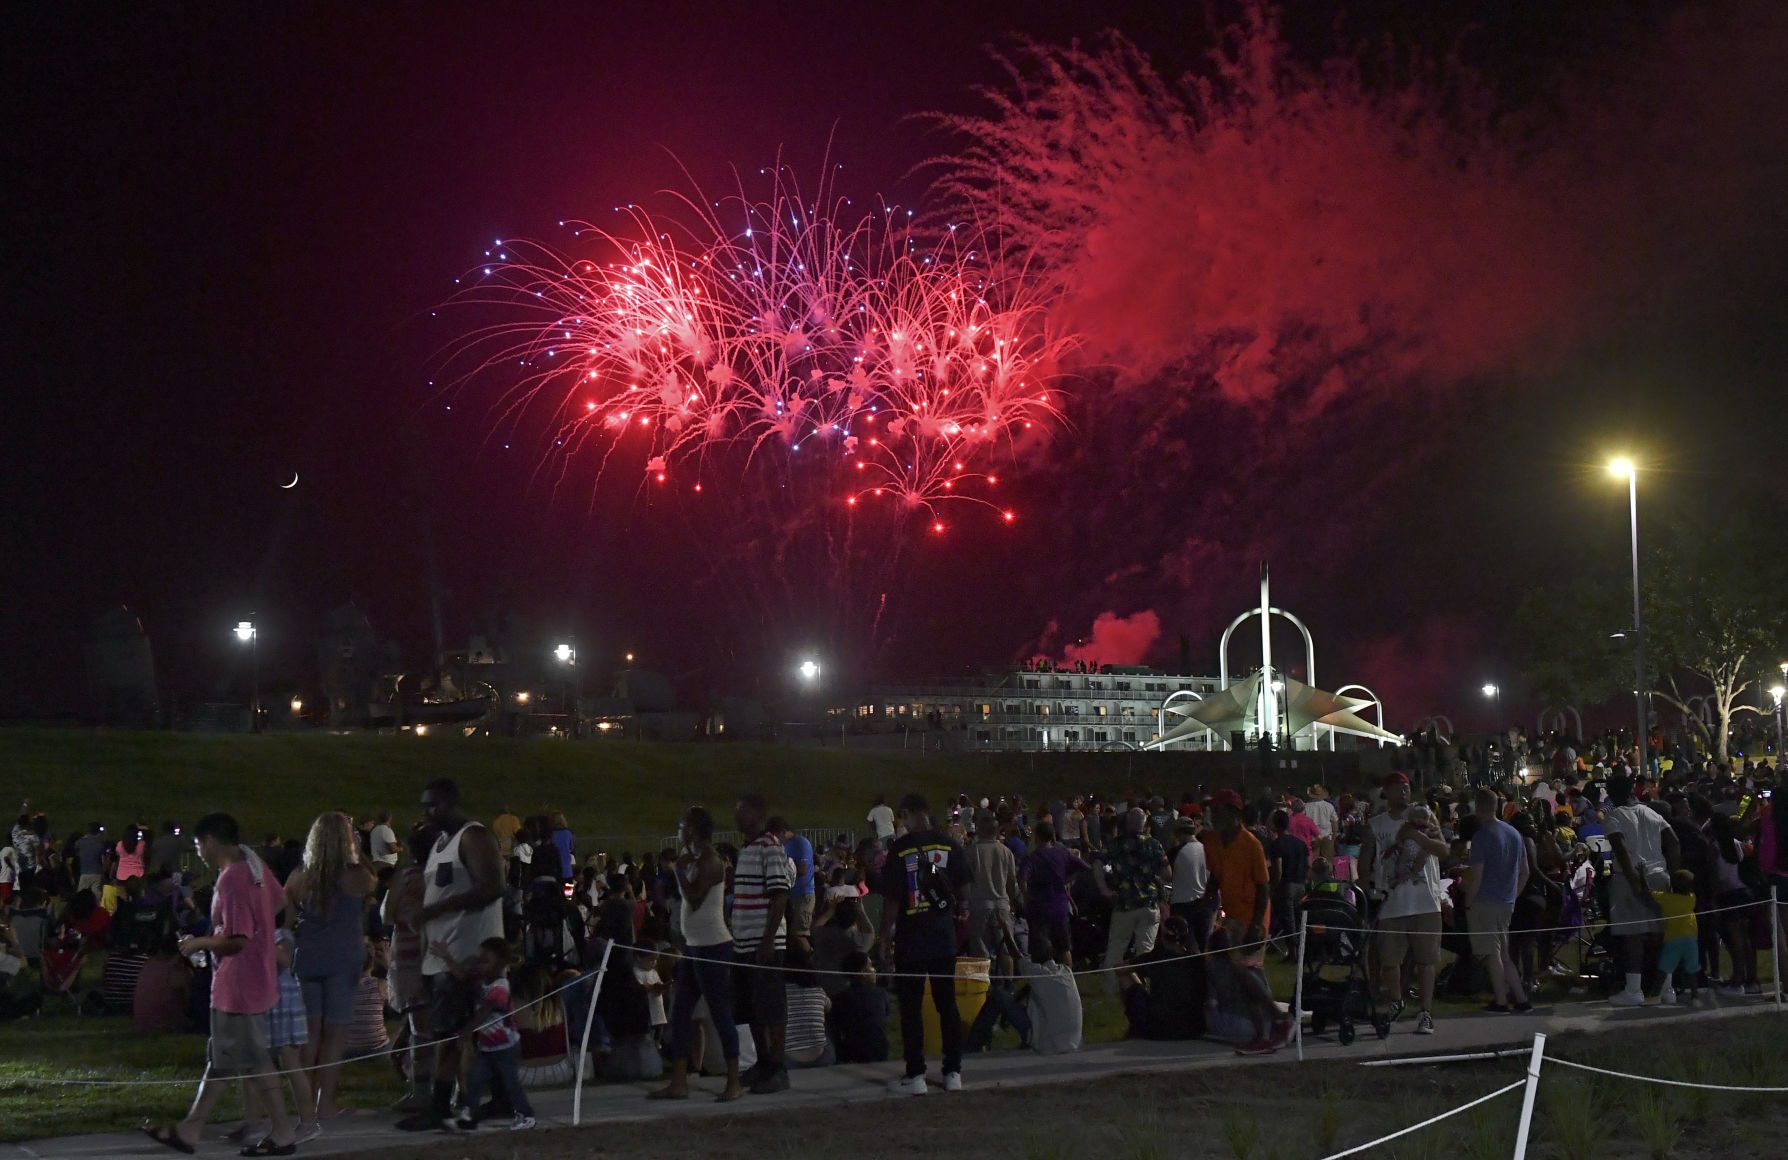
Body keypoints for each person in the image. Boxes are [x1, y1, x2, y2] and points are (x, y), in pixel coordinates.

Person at [142, 812, 296, 1157]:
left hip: (237, 985)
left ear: (210, 841)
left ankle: (284, 1133)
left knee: (253, 1060)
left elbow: (237, 940)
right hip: (256, 978)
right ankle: (190, 1130)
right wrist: (264, 937)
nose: (198, 852)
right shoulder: (254, 867)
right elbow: (281, 902)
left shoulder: (232, 879)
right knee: (223, 1059)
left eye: (198, 845)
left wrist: (199, 943)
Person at [398, 778, 504, 1131]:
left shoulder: (473, 836)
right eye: (424, 806)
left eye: (434, 805)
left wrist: (434, 911)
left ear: (451, 804)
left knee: (452, 1032)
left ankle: (440, 1106)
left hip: (468, 951)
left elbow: (491, 887)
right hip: (444, 952)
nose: (427, 813)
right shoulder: (440, 843)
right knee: (461, 1030)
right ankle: (498, 1096)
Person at [879, 793, 971, 1095]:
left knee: (911, 1007)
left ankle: (916, 1076)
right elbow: (964, 885)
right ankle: (952, 1072)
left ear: (906, 814)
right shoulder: (948, 844)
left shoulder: (900, 849)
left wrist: (883, 940)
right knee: (948, 1004)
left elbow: (891, 901)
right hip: (943, 937)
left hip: (911, 939)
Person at [285, 811, 374, 1120]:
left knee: (309, 1034)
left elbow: (285, 917)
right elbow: (372, 883)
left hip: (308, 957)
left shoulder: (300, 876)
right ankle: (326, 1104)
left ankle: (305, 1104)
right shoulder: (356, 875)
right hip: (343, 959)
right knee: (335, 1034)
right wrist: (358, 852)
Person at [650, 806, 742, 1102]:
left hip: (712, 946)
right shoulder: (698, 859)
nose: (678, 829)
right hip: (694, 946)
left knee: (719, 1013)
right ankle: (679, 1082)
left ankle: (733, 1082)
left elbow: (695, 898)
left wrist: (678, 871)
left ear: (691, 829)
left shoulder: (712, 861)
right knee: (680, 1013)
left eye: (681, 825)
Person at [432, 936, 535, 1131]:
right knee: (475, 1080)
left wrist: (466, 1031)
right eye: (479, 959)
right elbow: (462, 975)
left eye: (485, 961)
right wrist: (446, 957)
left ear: (501, 964)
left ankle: (526, 1117)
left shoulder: (500, 987)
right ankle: (469, 1117)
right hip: (488, 1045)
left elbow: (484, 1012)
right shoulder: (481, 980)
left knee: (511, 1084)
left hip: (506, 1046)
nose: (480, 964)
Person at [731, 794, 793, 1095]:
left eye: (740, 811)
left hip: (763, 941)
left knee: (771, 1007)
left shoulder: (770, 846)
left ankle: (778, 1068)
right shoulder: (748, 849)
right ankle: (764, 1062)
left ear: (756, 814)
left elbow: (780, 893)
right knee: (752, 1009)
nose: (736, 817)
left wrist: (768, 940)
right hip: (745, 942)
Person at [1602, 774, 1679, 1006]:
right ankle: (1667, 989)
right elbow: (1673, 842)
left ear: (1613, 795)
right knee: (1660, 934)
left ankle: (1634, 989)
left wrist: (1634, 880)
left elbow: (1620, 849)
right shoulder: (1652, 812)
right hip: (1660, 875)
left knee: (1633, 935)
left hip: (1630, 879)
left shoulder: (1613, 816)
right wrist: (1674, 875)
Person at [1374, 803, 1447, 1034]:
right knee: (1389, 960)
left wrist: (1416, 834)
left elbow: (1443, 851)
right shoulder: (1377, 824)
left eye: (1406, 787)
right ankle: (1396, 1000)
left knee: (1426, 960)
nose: (1403, 792)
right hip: (1393, 904)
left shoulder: (1430, 825)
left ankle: (1425, 1011)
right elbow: (1371, 854)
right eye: (1397, 788)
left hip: (1425, 902)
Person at [1465, 790, 1532, 1013]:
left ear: (1477, 806)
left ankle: (1501, 1000)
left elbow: (1477, 876)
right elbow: (1525, 871)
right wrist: (1514, 894)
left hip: (1485, 901)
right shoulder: (1514, 834)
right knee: (1504, 954)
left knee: (1492, 955)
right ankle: (1521, 999)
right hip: (1506, 902)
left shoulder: (1482, 837)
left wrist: (1468, 902)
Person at [1095, 807, 1170, 990]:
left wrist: (1104, 889)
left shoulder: (1116, 844)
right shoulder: (1154, 844)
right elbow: (1167, 873)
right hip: (1149, 902)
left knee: (1116, 947)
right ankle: (1144, 986)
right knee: (1146, 949)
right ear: (1145, 824)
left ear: (1127, 823)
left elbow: (1097, 863)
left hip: (1125, 903)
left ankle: (1111, 987)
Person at [1117, 915, 1204, 1041]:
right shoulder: (1196, 960)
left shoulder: (1157, 958)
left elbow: (1120, 968)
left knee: (1126, 977)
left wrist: (1138, 981)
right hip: (1193, 1027)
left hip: (1160, 1028)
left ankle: (1135, 1025)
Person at [1019, 820, 1086, 965]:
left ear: (1036, 837)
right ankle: (1067, 979)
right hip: (1060, 908)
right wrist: (1068, 879)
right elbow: (1084, 867)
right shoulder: (1062, 854)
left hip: (1039, 909)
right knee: (1064, 948)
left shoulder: (1032, 858)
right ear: (1052, 836)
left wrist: (1027, 896)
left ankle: (1044, 981)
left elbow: (1023, 880)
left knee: (1041, 950)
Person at [966, 809, 1021, 961]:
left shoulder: (972, 851)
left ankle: (984, 982)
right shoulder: (1006, 851)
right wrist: (1011, 901)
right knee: (1005, 947)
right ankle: (1008, 981)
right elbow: (1011, 880)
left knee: (980, 949)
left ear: (979, 831)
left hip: (980, 904)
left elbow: (967, 880)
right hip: (1002, 903)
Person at [830, 950, 889, 1062]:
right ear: (863, 972)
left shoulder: (839, 998)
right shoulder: (881, 994)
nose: (874, 970)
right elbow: (885, 1017)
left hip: (851, 1053)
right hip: (879, 1051)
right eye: (871, 966)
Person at [1652, 869, 1700, 1005]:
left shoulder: (1667, 898)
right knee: (1691, 969)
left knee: (1664, 968)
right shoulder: (1691, 898)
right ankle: (1695, 995)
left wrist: (1643, 879)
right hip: (1691, 938)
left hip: (1673, 940)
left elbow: (1647, 894)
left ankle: (1654, 995)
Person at [776, 818, 816, 942]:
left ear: (783, 832)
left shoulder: (801, 843)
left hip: (804, 894)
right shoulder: (786, 845)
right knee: (792, 933)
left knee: (799, 934)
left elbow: (803, 869)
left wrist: (781, 871)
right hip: (792, 894)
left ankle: (811, 958)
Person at [72, 822, 109, 897]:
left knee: (81, 895)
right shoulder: (100, 843)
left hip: (84, 873)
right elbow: (103, 860)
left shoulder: (81, 842)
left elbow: (76, 849)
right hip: (97, 873)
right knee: (97, 895)